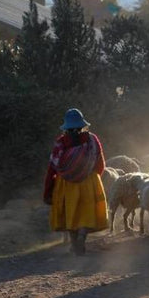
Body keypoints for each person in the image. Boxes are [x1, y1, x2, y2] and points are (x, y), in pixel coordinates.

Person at [43, 108, 109, 255]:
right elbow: (100, 165)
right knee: (86, 213)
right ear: (82, 125)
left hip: (66, 184)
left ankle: (74, 244)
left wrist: (48, 192)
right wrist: (91, 177)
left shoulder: (60, 143)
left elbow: (52, 169)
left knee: (70, 214)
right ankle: (82, 236)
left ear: (66, 127)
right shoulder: (92, 140)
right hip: (88, 180)